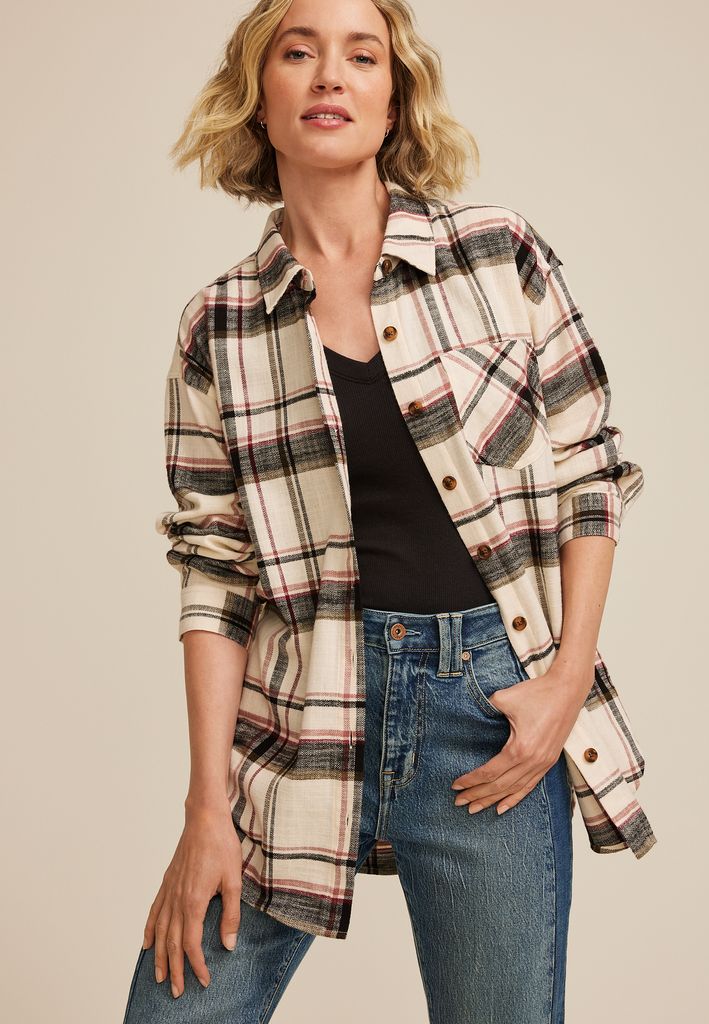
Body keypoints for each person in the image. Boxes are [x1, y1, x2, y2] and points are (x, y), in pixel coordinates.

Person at [122, 0, 656, 1021]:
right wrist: (205, 808)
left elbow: (588, 471)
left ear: (394, 98)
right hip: (297, 712)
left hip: (485, 713)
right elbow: (215, 571)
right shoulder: (219, 326)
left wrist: (564, 681)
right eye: (299, 51)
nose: (330, 74)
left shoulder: (496, 255)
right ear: (259, 97)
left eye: (361, 56)